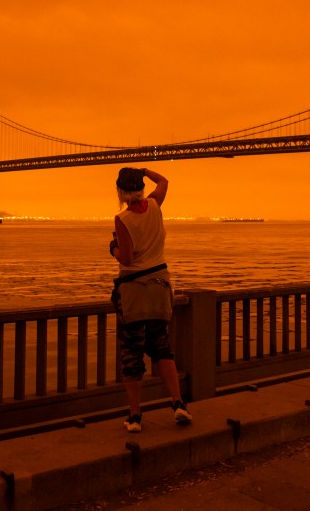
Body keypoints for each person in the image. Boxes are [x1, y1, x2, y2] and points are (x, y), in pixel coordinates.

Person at [109, 166, 193, 433]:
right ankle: (179, 404)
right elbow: (165, 180)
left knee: (132, 354)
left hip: (134, 292)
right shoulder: (156, 205)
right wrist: (146, 170)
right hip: (160, 286)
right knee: (161, 347)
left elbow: (127, 258)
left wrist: (112, 247)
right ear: (141, 188)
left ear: (120, 191)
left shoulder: (122, 219)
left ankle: (135, 418)